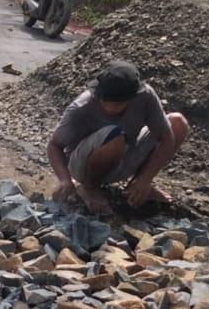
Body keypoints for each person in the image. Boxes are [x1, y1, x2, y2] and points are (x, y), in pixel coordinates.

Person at [47, 61, 190, 215]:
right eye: (105, 102)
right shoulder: (82, 106)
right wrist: (65, 180)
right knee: (114, 134)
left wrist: (145, 179)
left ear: (132, 97)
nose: (109, 107)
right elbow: (54, 145)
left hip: (123, 157)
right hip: (83, 165)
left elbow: (166, 137)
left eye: (117, 104)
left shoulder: (145, 97)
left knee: (177, 123)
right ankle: (89, 188)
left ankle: (135, 188)